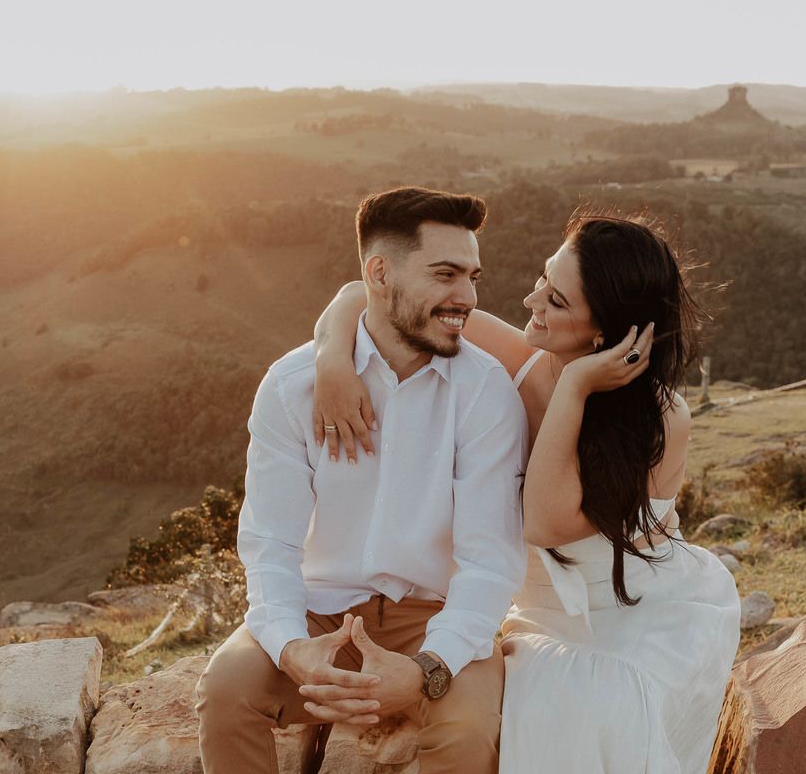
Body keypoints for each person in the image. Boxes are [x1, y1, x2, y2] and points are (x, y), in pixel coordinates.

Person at [312, 211, 740, 773]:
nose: (531, 299)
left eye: (557, 300)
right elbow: (360, 292)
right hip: (541, 611)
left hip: (636, 615)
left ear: (603, 335)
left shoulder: (663, 419)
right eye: (544, 276)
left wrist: (575, 386)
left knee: (585, 715)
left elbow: (542, 522)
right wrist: (331, 361)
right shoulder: (518, 358)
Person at [196, 187, 528, 774]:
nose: (467, 298)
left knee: (469, 728)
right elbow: (271, 541)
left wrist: (428, 667)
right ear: (379, 273)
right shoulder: (291, 385)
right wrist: (290, 646)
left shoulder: (487, 392)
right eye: (445, 274)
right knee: (226, 692)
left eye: (473, 276)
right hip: (320, 612)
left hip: (432, 614)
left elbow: (489, 561)